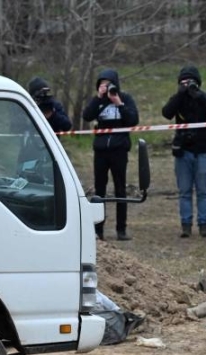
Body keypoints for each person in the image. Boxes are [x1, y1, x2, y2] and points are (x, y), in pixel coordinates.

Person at [162, 66, 206, 238]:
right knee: (185, 190)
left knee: (203, 189)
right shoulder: (178, 99)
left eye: (191, 82)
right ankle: (186, 224)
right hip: (183, 150)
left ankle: (203, 223)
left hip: (203, 150)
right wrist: (180, 94)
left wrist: (201, 97)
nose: (188, 85)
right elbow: (166, 113)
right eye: (184, 82)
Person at [82, 68, 139, 241]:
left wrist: (118, 103)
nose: (106, 87)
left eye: (109, 84)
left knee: (120, 188)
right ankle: (98, 229)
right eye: (102, 84)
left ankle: (121, 229)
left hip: (119, 150)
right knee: (100, 190)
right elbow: (87, 116)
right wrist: (98, 98)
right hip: (101, 150)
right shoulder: (98, 102)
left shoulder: (125, 99)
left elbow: (133, 120)